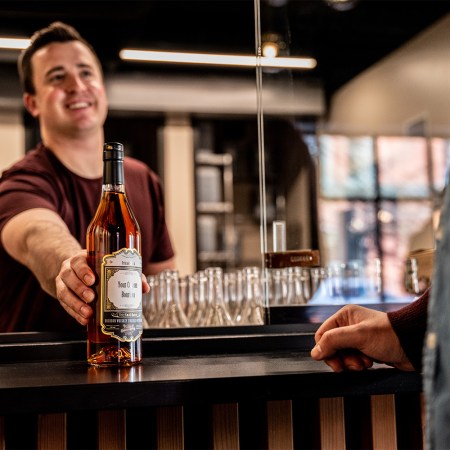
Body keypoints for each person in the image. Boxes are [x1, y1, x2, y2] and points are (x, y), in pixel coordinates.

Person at [0, 22, 175, 333]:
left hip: (127, 370)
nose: (77, 85)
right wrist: (70, 265)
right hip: (39, 377)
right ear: (32, 103)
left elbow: (165, 286)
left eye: (86, 73)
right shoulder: (21, 183)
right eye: (57, 77)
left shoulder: (143, 179)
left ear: (102, 88)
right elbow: (36, 235)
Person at [311, 184, 450, 449]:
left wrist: (405, 330)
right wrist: (401, 332)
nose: (379, 242)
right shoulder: (332, 290)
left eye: (388, 231)